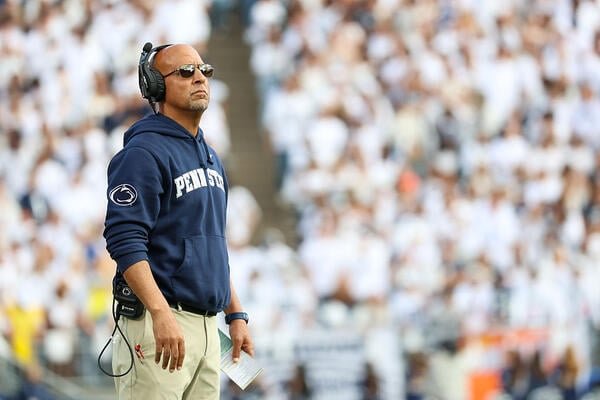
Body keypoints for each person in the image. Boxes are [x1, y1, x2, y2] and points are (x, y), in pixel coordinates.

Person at [103, 42, 254, 399]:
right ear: (156, 86)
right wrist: (160, 313)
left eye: (204, 70)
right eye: (185, 72)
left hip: (207, 327)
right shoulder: (142, 153)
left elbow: (212, 244)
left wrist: (235, 314)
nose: (199, 77)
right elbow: (124, 241)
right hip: (160, 322)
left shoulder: (210, 155)